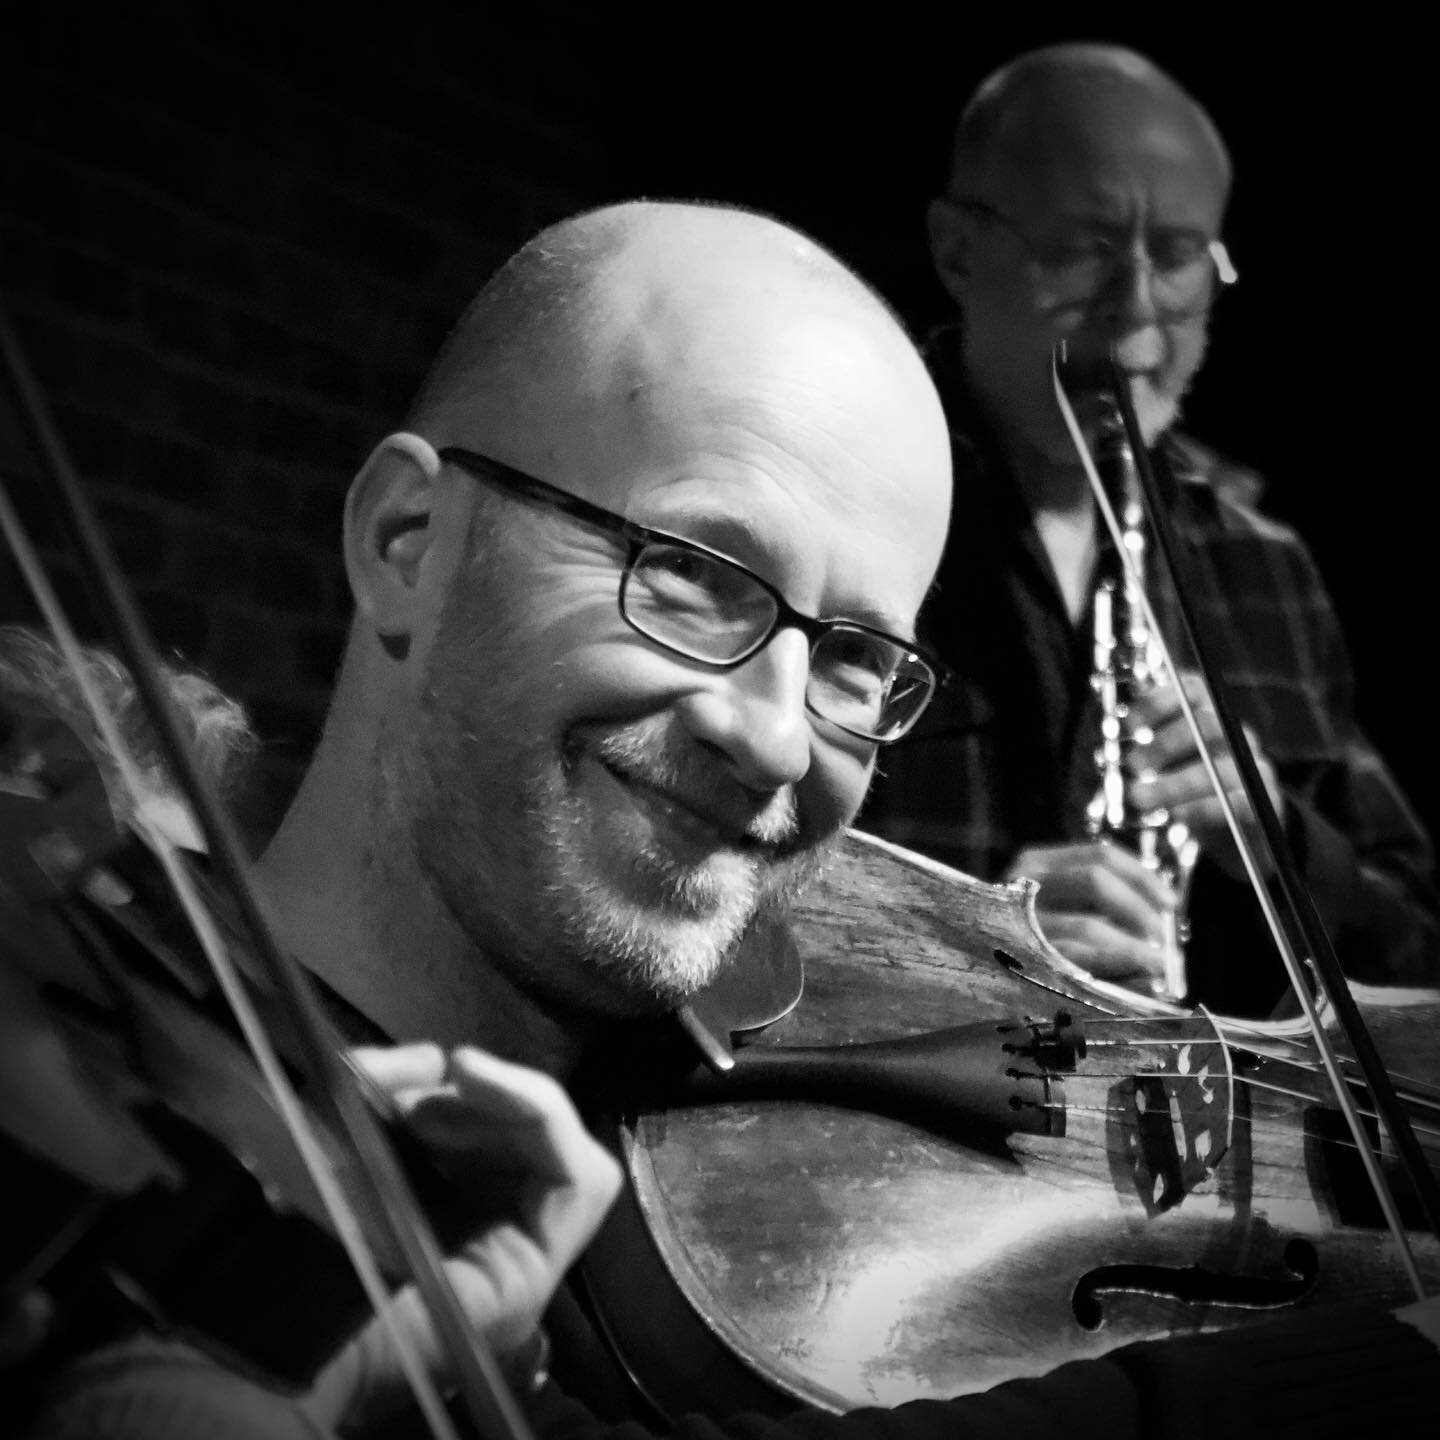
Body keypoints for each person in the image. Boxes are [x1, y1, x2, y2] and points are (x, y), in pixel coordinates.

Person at [10, 202, 1440, 1437]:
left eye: (860, 658)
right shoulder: (136, 1182)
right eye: (691, 573)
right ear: (407, 545)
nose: (771, 732)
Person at [858, 43, 1440, 1015]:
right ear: (958, 250)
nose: (1134, 322)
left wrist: (1278, 839)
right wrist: (960, 935)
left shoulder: (1261, 562)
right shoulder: (837, 496)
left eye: (1174, 258)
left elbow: (1418, 949)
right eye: (1083, 249)